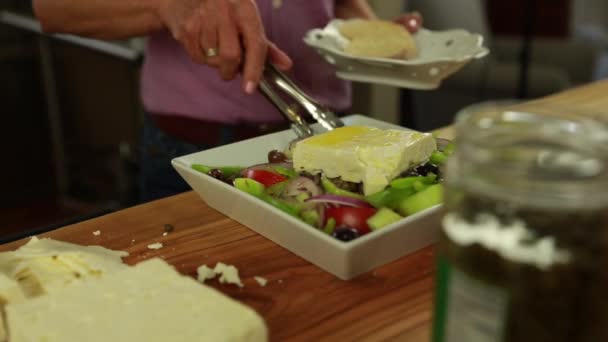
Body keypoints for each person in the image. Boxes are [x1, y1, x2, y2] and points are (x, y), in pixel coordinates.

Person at [32, 0, 422, 202]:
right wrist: (167, 6)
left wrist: (374, 33)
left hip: (328, 136)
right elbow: (53, 9)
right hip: (193, 145)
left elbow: (337, 5)